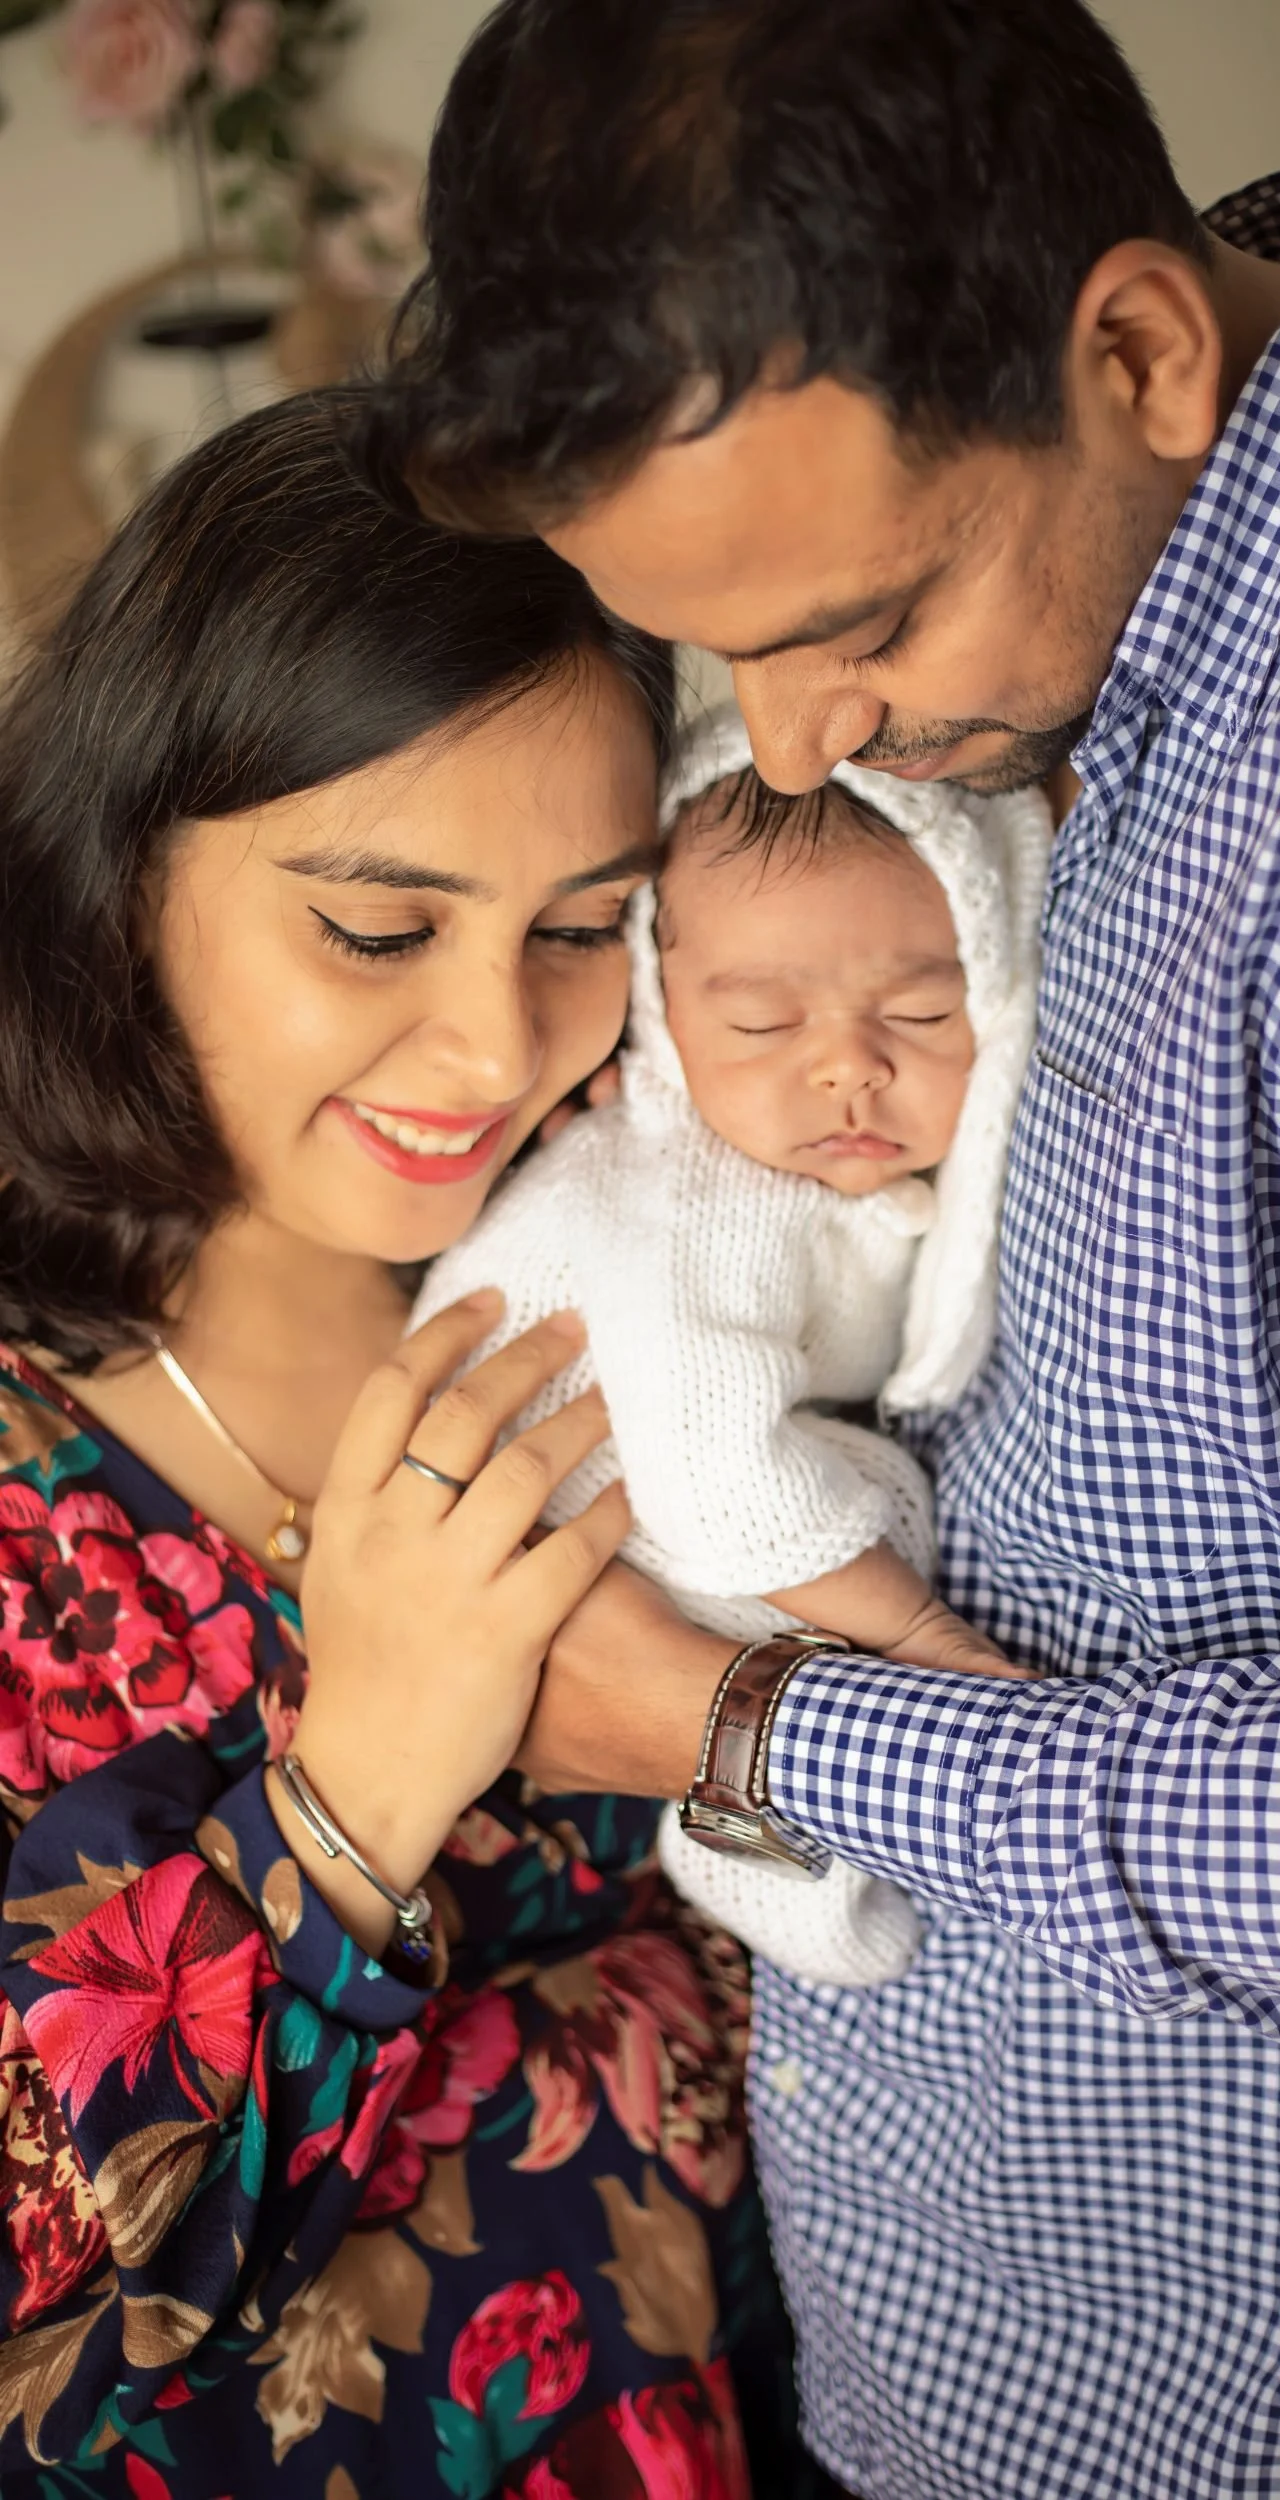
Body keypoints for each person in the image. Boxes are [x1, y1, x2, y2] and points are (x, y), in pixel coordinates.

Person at [362, 0, 1280, 2493]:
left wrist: (743, 1722)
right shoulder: (1162, 625)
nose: (796, 739)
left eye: (850, 622)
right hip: (1003, 2342)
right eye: (723, 650)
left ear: (1141, 352)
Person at [0, 390, 803, 2498]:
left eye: (579, 928)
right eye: (377, 928)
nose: (493, 1044)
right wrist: (348, 1796)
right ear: (119, 871)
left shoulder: (649, 1281)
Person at [415, 703, 1050, 1985]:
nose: (848, 1070)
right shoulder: (703, 1192)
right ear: (663, 1013)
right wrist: (921, 1636)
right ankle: (761, 1855)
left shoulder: (812, 1161)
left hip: (636, 1510)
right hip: (580, 1514)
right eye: (764, 1023)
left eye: (922, 1011)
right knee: (866, 1513)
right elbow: (717, 1479)